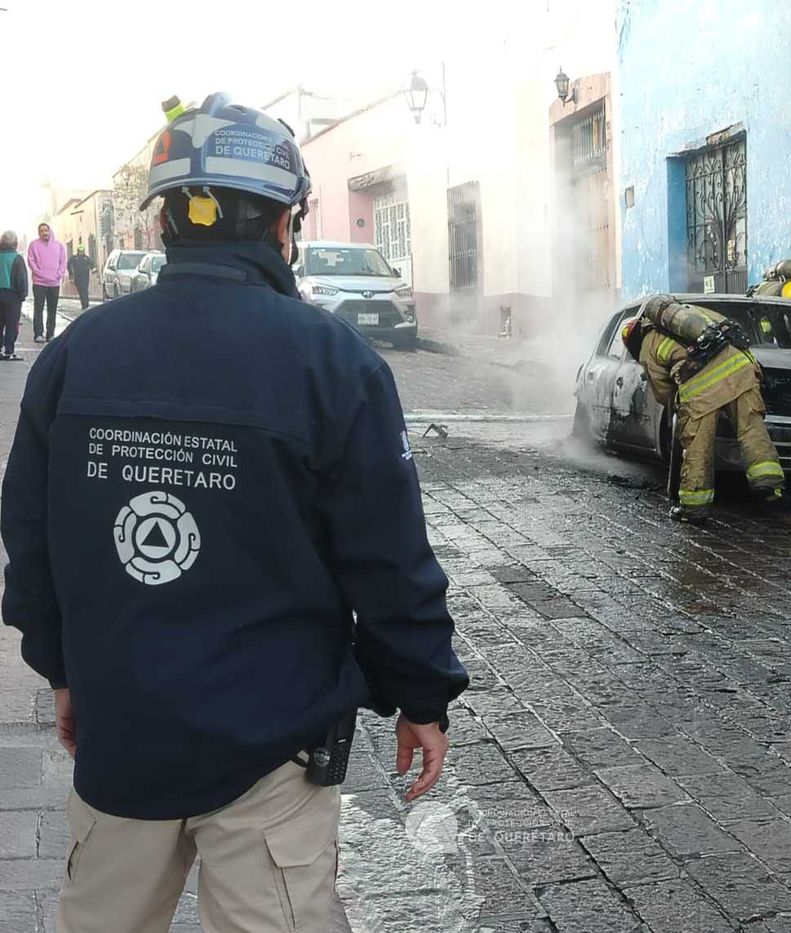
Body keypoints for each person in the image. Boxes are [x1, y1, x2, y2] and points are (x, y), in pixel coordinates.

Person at [1, 92, 468, 933]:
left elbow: (29, 538)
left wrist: (62, 667)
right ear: (285, 223)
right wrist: (422, 693)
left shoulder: (75, 358)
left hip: (121, 732)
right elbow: (387, 557)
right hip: (272, 747)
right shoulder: (333, 364)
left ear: (163, 223)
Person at [623, 294, 785, 523]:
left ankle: (694, 508)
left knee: (698, 446)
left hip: (702, 391)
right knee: (751, 428)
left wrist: (679, 404)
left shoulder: (648, 344)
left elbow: (662, 392)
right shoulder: (693, 313)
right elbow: (732, 333)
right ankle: (769, 484)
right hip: (742, 370)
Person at [27, 222, 66, 342]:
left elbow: (63, 262)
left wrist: (58, 275)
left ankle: (50, 334)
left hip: (54, 283)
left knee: (52, 309)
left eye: (46, 230)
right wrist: (39, 273)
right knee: (38, 308)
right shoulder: (34, 245)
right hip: (39, 283)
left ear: (50, 231)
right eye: (42, 231)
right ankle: (38, 334)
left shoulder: (59, 246)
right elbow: (31, 261)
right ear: (39, 233)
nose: (44, 233)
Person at [0, 230, 29, 360]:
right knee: (12, 325)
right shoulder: (17, 258)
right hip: (12, 296)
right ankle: (9, 351)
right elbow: (21, 278)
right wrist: (23, 294)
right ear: (15, 243)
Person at [66, 245, 96, 310]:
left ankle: (86, 304)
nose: (81, 253)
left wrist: (93, 269)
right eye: (80, 251)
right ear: (78, 251)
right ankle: (84, 304)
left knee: (85, 290)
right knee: (81, 290)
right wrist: (71, 275)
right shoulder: (74, 258)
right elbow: (68, 264)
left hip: (85, 277)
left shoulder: (86, 258)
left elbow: (92, 264)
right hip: (77, 277)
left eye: (82, 251)